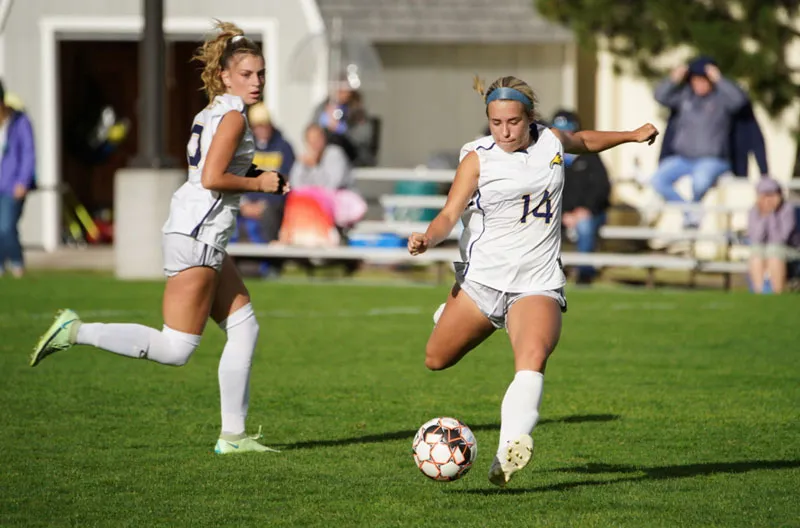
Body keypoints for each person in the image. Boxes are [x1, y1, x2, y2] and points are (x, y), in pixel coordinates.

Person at [29, 22, 289, 454]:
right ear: (225, 75)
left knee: (244, 328)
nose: (257, 82)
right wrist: (259, 185)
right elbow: (212, 177)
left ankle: (233, 437)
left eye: (261, 74)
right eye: (247, 74)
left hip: (198, 231)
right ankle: (76, 331)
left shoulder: (211, 112)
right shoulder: (232, 117)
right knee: (176, 347)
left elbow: (216, 169)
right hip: (199, 235)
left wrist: (257, 175)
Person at [407, 75, 658, 487]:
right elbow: (450, 213)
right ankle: (448, 311)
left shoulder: (551, 142)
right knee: (436, 359)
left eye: (513, 122)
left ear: (530, 118)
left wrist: (631, 136)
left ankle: (508, 451)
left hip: (536, 282)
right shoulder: (478, 158)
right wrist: (427, 238)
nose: (505, 131)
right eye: (496, 122)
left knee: (533, 358)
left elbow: (584, 140)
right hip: (484, 281)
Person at [651, 56, 749, 227]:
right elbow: (660, 96)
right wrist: (674, 79)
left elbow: (739, 100)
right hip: (683, 158)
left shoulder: (721, 100)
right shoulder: (684, 97)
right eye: (695, 80)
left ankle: (693, 211)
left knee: (700, 181)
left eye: (703, 80)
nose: (699, 84)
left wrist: (719, 79)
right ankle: (690, 212)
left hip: (713, 160)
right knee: (658, 180)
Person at [550, 109, 611, 284]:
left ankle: (584, 275)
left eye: (567, 131)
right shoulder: (548, 158)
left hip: (589, 214)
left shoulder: (590, 156)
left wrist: (585, 209)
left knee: (584, 226)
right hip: (557, 213)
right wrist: (562, 213)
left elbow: (601, 187)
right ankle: (547, 273)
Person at [0, 79, 36, 278]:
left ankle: (17, 263)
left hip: (12, 184)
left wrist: (23, 180)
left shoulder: (20, 122)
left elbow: (28, 153)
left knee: (6, 227)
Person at [747, 177, 799, 294]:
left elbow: (781, 238)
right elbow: (756, 238)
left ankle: (777, 292)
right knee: (756, 251)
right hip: (766, 250)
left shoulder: (787, 210)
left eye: (772, 194)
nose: (768, 198)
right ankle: (759, 292)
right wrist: (764, 216)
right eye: (765, 195)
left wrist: (772, 214)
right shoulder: (754, 211)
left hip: (790, 251)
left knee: (774, 251)